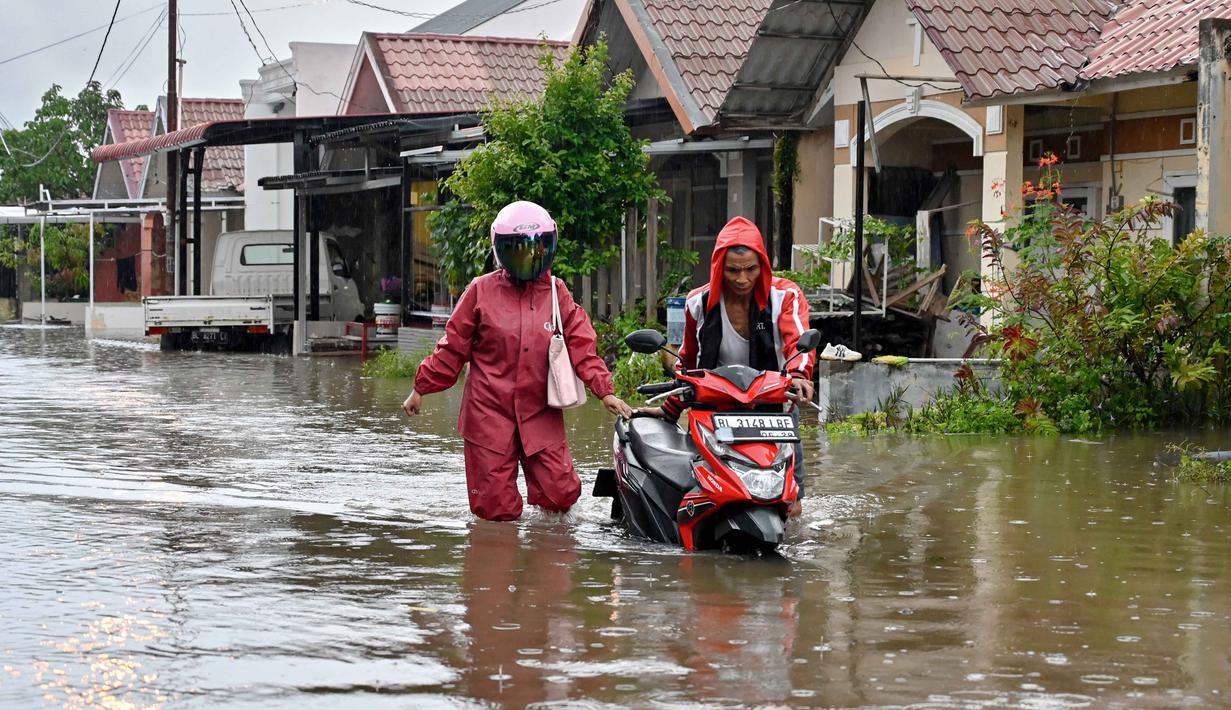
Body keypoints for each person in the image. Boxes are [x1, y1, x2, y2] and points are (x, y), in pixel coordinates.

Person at [402, 201, 633, 521]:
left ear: (547, 248)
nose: (528, 258)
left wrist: (604, 391)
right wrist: (421, 388)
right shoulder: (480, 291)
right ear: (502, 251)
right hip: (488, 415)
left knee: (560, 495)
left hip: (540, 412)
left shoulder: (556, 292)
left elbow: (582, 345)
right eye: (517, 250)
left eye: (535, 249)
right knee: (494, 510)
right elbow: (452, 348)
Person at [641, 216, 814, 513]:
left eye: (750, 270)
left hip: (773, 410)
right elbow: (689, 361)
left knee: (791, 504)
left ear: (763, 266)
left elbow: (797, 341)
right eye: (733, 270)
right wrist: (670, 408)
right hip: (717, 411)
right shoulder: (698, 302)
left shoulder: (785, 296)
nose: (743, 279)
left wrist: (799, 375)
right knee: (707, 495)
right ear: (719, 267)